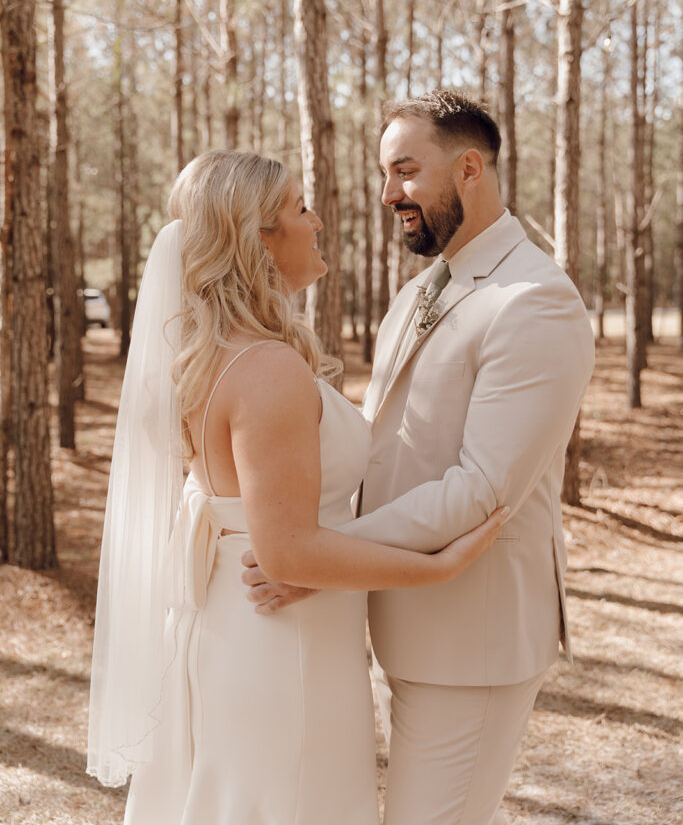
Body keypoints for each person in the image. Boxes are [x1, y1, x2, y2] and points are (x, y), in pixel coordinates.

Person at [86, 148, 507, 824]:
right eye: (299, 208)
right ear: (257, 237)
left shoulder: (223, 354)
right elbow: (285, 554)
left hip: (245, 632)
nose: (317, 222)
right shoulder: (265, 369)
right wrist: (438, 566)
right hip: (282, 648)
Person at [243, 90, 596, 825]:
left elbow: (480, 489)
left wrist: (318, 557)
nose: (386, 195)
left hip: (476, 635)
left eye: (405, 171)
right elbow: (388, 448)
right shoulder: (417, 292)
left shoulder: (535, 300)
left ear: (469, 167)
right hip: (406, 616)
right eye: (383, 173)